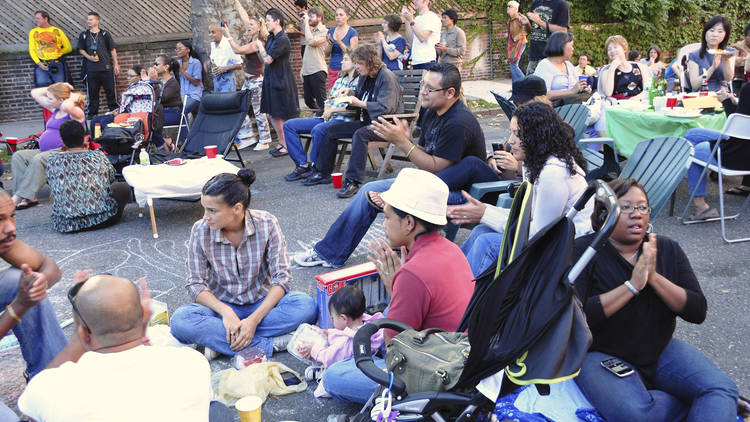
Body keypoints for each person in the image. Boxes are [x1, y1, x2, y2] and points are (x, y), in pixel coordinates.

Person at [572, 178, 739, 422]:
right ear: (604, 213)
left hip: (659, 348)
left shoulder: (667, 249)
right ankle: (686, 403)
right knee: (636, 414)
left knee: (721, 389)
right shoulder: (584, 251)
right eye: (626, 207)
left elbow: (697, 311)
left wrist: (652, 278)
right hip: (600, 354)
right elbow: (578, 318)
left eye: (642, 207)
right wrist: (632, 285)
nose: (636, 214)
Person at [294, 63, 485, 268]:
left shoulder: (458, 122)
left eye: (429, 89)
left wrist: (402, 143)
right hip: (433, 183)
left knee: (390, 193)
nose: (423, 92)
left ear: (450, 93)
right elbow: (425, 153)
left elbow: (435, 166)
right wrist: (407, 139)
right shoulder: (433, 110)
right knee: (368, 190)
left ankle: (399, 237)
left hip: (460, 193)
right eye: (423, 85)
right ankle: (329, 253)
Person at [320, 168, 475, 403]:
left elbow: (396, 351)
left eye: (388, 217)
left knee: (334, 376)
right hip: (463, 360)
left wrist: (395, 287)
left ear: (409, 223)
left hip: (437, 377)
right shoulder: (451, 249)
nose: (384, 224)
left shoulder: (413, 272)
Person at [18, 274, 230, 422]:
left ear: (83, 334)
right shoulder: (192, 363)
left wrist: (79, 334)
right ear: (145, 317)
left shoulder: (49, 387)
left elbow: (31, 411)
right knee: (217, 410)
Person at [170, 170, 317, 358]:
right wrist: (227, 313)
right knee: (181, 321)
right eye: (204, 209)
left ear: (237, 208)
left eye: (212, 210)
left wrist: (253, 321)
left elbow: (282, 279)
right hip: (220, 309)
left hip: (262, 306)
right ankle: (271, 345)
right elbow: (195, 284)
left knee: (306, 306)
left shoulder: (267, 223)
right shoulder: (200, 230)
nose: (205, 216)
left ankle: (222, 342)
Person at [448, 101, 593, 276]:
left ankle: (465, 299)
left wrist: (485, 214)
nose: (511, 141)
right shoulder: (534, 164)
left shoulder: (553, 173)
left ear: (536, 136)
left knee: (487, 243)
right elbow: (526, 217)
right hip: (551, 240)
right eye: (511, 133)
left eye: (518, 134)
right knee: (480, 231)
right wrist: (485, 210)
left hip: (567, 249)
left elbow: (538, 234)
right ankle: (452, 284)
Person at [303, 44, 403, 199]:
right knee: (330, 131)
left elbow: (386, 107)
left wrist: (358, 102)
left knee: (360, 134)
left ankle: (353, 181)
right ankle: (323, 172)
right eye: (355, 63)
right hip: (368, 121)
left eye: (359, 63)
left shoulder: (386, 77)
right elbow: (362, 95)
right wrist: (349, 92)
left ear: (370, 62)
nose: (356, 67)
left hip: (386, 125)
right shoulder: (365, 77)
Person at [0, 188, 65, 384]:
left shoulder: (4, 238)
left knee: (23, 280)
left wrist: (39, 283)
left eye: (12, 217)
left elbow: (50, 267)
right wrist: (20, 304)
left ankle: (50, 378)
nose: (10, 227)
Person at [283, 50, 359, 182]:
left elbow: (352, 105)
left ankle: (316, 167)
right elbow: (329, 100)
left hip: (344, 120)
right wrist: (327, 109)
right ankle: (302, 165)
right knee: (289, 125)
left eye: (345, 59)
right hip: (327, 118)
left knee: (319, 129)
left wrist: (332, 110)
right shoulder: (340, 81)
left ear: (355, 62)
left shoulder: (359, 82)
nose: (341, 62)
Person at [296, 286, 384, 397]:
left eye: (333, 318)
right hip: (366, 361)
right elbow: (342, 332)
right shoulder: (367, 323)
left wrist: (313, 349)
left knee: (327, 382)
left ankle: (322, 374)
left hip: (349, 365)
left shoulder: (347, 342)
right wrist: (327, 333)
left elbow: (328, 357)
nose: (332, 321)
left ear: (343, 318)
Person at [45, 120, 130, 233]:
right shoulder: (97, 156)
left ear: (62, 141)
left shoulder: (52, 161)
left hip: (66, 224)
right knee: (123, 187)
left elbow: (50, 183)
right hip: (103, 219)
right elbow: (111, 178)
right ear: (85, 138)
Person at [12, 83, 85, 210]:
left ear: (61, 99)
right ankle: (29, 197)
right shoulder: (55, 109)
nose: (49, 101)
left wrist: (71, 94)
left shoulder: (75, 111)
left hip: (64, 151)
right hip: (45, 151)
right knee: (19, 156)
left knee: (38, 159)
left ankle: (17, 198)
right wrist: (58, 87)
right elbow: (35, 93)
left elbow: (67, 105)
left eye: (51, 98)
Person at [684, 83, 750, 218]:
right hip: (743, 144)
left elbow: (736, 126)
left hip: (738, 154)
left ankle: (700, 206)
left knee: (693, 151)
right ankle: (698, 183)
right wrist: (733, 101)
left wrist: (725, 100)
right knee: (692, 135)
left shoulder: (748, 89)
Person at [223, 0, 273, 151]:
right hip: (248, 81)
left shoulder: (258, 42)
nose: (248, 26)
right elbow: (245, 17)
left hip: (257, 80)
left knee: (260, 112)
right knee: (241, 107)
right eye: (249, 24)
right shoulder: (253, 37)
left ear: (259, 28)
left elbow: (238, 50)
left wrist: (228, 36)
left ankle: (265, 140)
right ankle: (248, 137)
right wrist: (237, 3)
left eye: (252, 25)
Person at [257, 8, 300, 158]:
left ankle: (287, 145)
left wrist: (260, 46)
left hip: (281, 80)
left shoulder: (282, 39)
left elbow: (268, 59)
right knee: (271, 114)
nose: (267, 23)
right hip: (271, 79)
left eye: (269, 20)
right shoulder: (272, 37)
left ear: (277, 21)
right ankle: (282, 142)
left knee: (280, 113)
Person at [595, 35, 651, 136]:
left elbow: (648, 89)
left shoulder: (639, 67)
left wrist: (634, 100)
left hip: (639, 105)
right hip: (618, 108)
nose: (612, 51)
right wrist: (612, 68)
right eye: (609, 49)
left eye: (615, 47)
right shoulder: (606, 71)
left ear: (624, 48)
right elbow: (607, 93)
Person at [77, 11, 119, 119]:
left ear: (97, 20)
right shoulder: (84, 34)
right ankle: (92, 115)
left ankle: (114, 112)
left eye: (91, 19)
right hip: (91, 69)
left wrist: (116, 65)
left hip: (106, 68)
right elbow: (81, 50)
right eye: (88, 19)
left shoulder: (105, 34)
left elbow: (112, 49)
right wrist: (89, 57)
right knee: (92, 93)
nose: (88, 21)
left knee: (110, 91)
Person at [533, 31, 590, 105]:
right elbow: (541, 95)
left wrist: (583, 88)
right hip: (553, 108)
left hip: (573, 105)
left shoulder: (568, 65)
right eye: (571, 45)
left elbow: (576, 87)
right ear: (561, 46)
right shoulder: (545, 65)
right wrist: (571, 92)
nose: (573, 49)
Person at [688, 16, 736, 92]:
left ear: (725, 35)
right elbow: (695, 85)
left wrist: (725, 60)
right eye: (712, 30)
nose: (715, 35)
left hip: (721, 95)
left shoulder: (729, 52)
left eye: (720, 31)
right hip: (701, 96)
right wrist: (713, 67)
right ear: (705, 32)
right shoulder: (694, 55)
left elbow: (728, 79)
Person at [29, 10, 72, 88]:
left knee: (60, 89)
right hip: (41, 64)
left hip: (57, 63)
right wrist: (39, 63)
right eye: (36, 18)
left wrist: (58, 52)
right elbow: (32, 50)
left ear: (45, 19)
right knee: (43, 89)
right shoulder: (33, 32)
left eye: (38, 18)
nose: (36, 20)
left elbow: (68, 48)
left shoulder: (58, 31)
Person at [525, 0, 570, 74]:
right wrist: (526, 23)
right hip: (534, 57)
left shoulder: (562, 4)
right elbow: (529, 30)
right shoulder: (536, 3)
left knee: (547, 85)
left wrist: (540, 22)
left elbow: (563, 30)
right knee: (530, 85)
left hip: (551, 58)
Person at [300, 7, 328, 111]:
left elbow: (311, 42)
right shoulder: (310, 31)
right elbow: (307, 53)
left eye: (311, 16)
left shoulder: (325, 32)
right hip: (307, 71)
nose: (309, 19)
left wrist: (306, 23)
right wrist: (302, 69)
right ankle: (320, 115)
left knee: (322, 101)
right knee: (308, 101)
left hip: (317, 70)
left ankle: (326, 120)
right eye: (309, 17)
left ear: (320, 18)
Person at [152, 54, 183, 147]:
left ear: (166, 67)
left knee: (149, 123)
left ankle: (164, 145)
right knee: (144, 121)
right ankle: (165, 142)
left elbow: (161, 98)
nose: (154, 66)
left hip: (173, 113)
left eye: (157, 64)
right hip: (161, 113)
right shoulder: (160, 82)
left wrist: (154, 81)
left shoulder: (173, 83)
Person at [401, 0, 442, 70]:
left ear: (426, 1)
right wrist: (407, 20)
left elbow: (423, 38)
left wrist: (411, 20)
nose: (414, 1)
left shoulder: (432, 17)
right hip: (415, 61)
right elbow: (411, 40)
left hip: (428, 61)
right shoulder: (417, 19)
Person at [327, 6, 359, 89]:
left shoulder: (352, 32)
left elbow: (353, 54)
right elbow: (326, 54)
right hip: (333, 68)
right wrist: (330, 43)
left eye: (341, 15)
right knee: (331, 95)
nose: (338, 17)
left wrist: (340, 42)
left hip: (346, 70)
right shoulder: (331, 31)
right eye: (336, 15)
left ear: (347, 17)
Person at [208, 23, 243, 93]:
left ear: (221, 32)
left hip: (227, 79)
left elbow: (240, 65)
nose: (210, 35)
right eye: (209, 32)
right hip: (216, 79)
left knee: (227, 103)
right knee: (218, 103)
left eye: (213, 32)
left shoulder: (228, 45)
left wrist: (224, 68)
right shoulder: (212, 45)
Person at [176, 40, 203, 119]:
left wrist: (182, 71)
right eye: (176, 49)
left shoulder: (196, 63)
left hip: (194, 95)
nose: (178, 51)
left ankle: (186, 131)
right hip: (182, 95)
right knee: (180, 113)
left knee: (183, 111)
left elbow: (196, 82)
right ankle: (189, 130)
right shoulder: (178, 63)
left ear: (188, 50)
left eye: (180, 49)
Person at [506, 1, 531, 82]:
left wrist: (516, 38)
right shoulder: (511, 19)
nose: (508, 7)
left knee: (513, 65)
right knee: (513, 64)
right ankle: (515, 86)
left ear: (515, 8)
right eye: (508, 6)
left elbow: (525, 31)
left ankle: (526, 82)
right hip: (514, 44)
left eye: (510, 6)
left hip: (520, 43)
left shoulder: (519, 18)